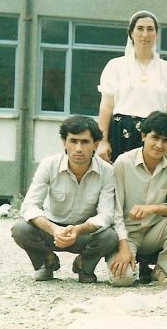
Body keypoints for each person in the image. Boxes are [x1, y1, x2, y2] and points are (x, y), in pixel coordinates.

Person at [12, 115, 118, 283]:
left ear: (96, 145)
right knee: (20, 229)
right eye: (73, 141)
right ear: (64, 142)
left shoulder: (107, 171)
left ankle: (84, 265)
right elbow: (29, 206)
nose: (78, 148)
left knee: (110, 237)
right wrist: (54, 229)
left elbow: (106, 214)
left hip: (84, 233)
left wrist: (78, 230)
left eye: (85, 142)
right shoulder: (49, 165)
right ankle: (47, 261)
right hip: (51, 230)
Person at [108, 111, 167, 287]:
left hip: (154, 231)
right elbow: (115, 210)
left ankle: (162, 270)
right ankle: (133, 264)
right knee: (122, 279)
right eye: (155, 138)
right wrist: (123, 247)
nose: (159, 145)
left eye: (165, 140)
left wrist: (153, 208)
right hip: (127, 234)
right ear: (143, 136)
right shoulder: (123, 162)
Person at [97, 10, 167, 163]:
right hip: (122, 134)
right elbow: (106, 106)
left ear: (156, 34)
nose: (145, 34)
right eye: (140, 28)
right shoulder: (115, 66)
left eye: (150, 29)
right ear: (131, 33)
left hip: (156, 136)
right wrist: (103, 141)